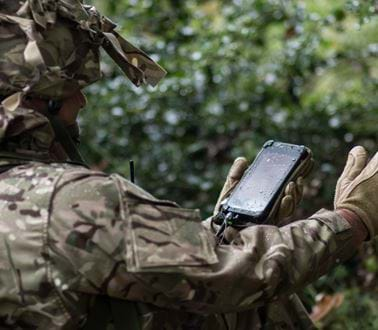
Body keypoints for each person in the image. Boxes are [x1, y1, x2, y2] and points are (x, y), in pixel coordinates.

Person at [0, 1, 376, 329]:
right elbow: (238, 277)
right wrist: (353, 218)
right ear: (37, 101)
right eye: (69, 90)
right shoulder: (67, 201)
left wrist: (219, 233)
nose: (80, 101)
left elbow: (121, 268)